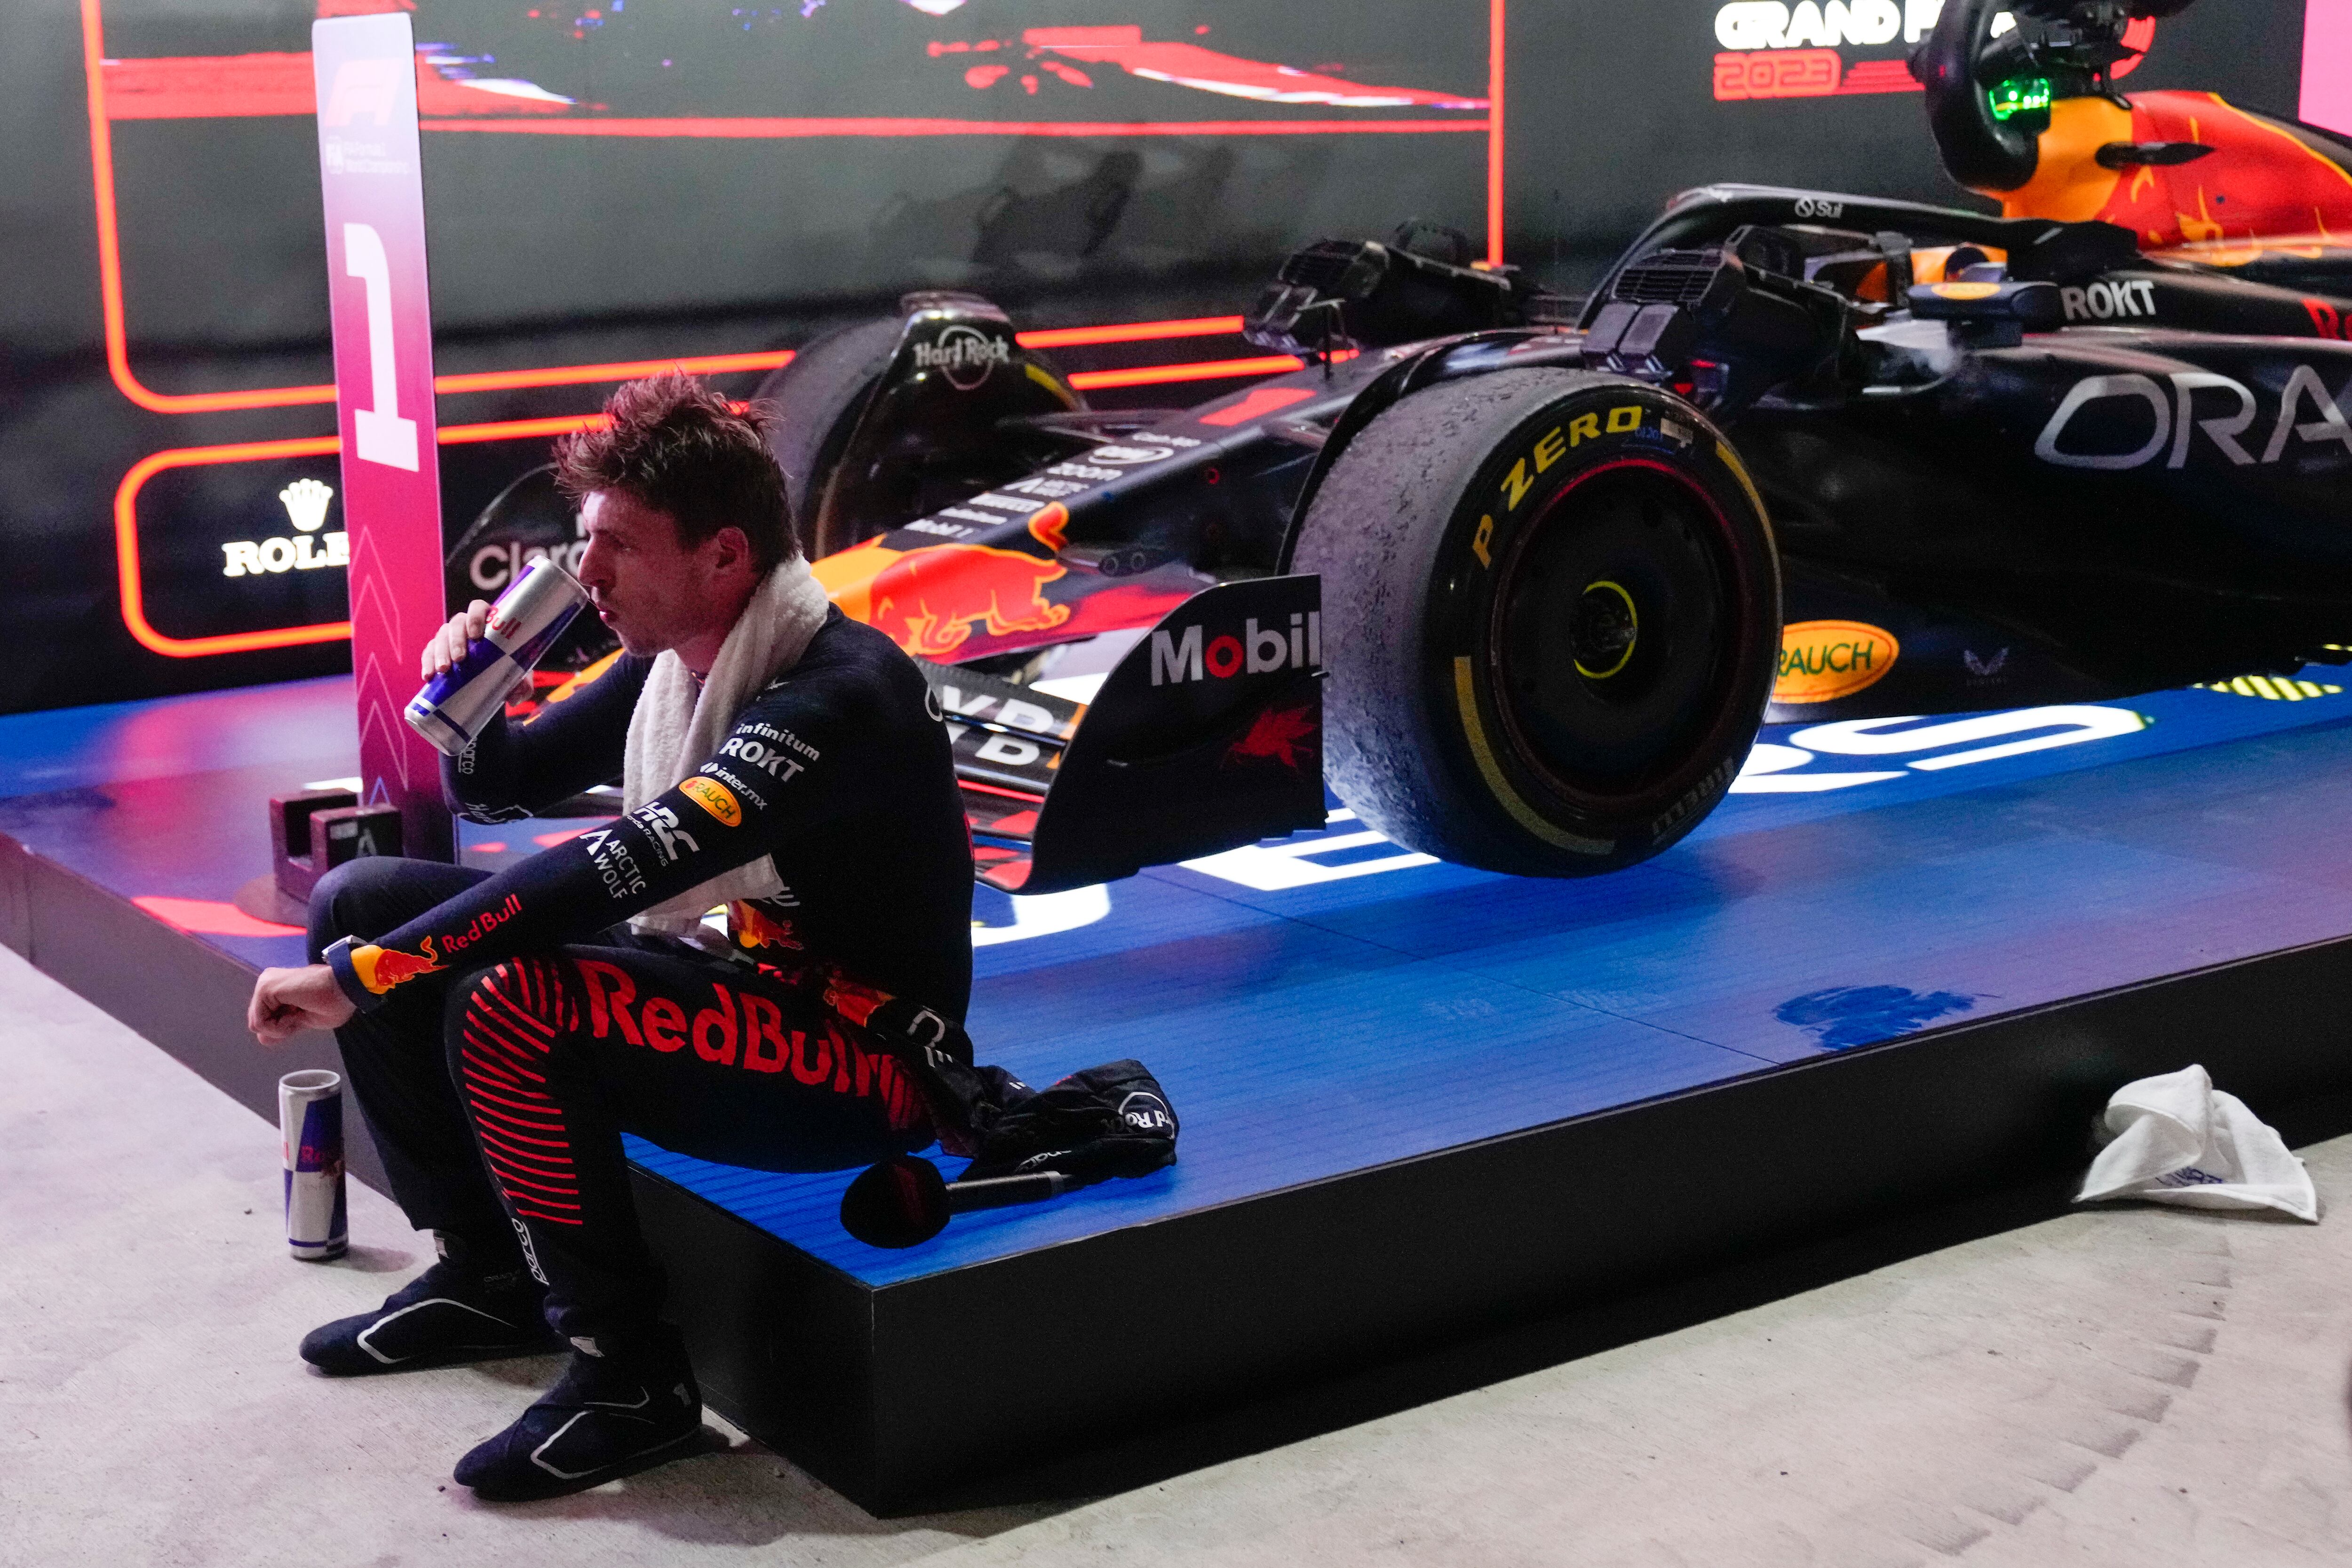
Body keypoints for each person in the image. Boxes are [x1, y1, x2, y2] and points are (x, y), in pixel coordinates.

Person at [245, 372, 975, 1501]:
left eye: (617, 545)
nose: (586, 574)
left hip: (867, 1064)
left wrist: (368, 978)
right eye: (586, 541)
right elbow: (506, 786)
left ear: (724, 555)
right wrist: (475, 694)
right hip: (732, 982)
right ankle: (488, 1276)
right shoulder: (674, 661)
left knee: (505, 997)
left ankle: (630, 1376)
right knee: (359, 897)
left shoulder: (840, 693)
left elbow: (614, 870)